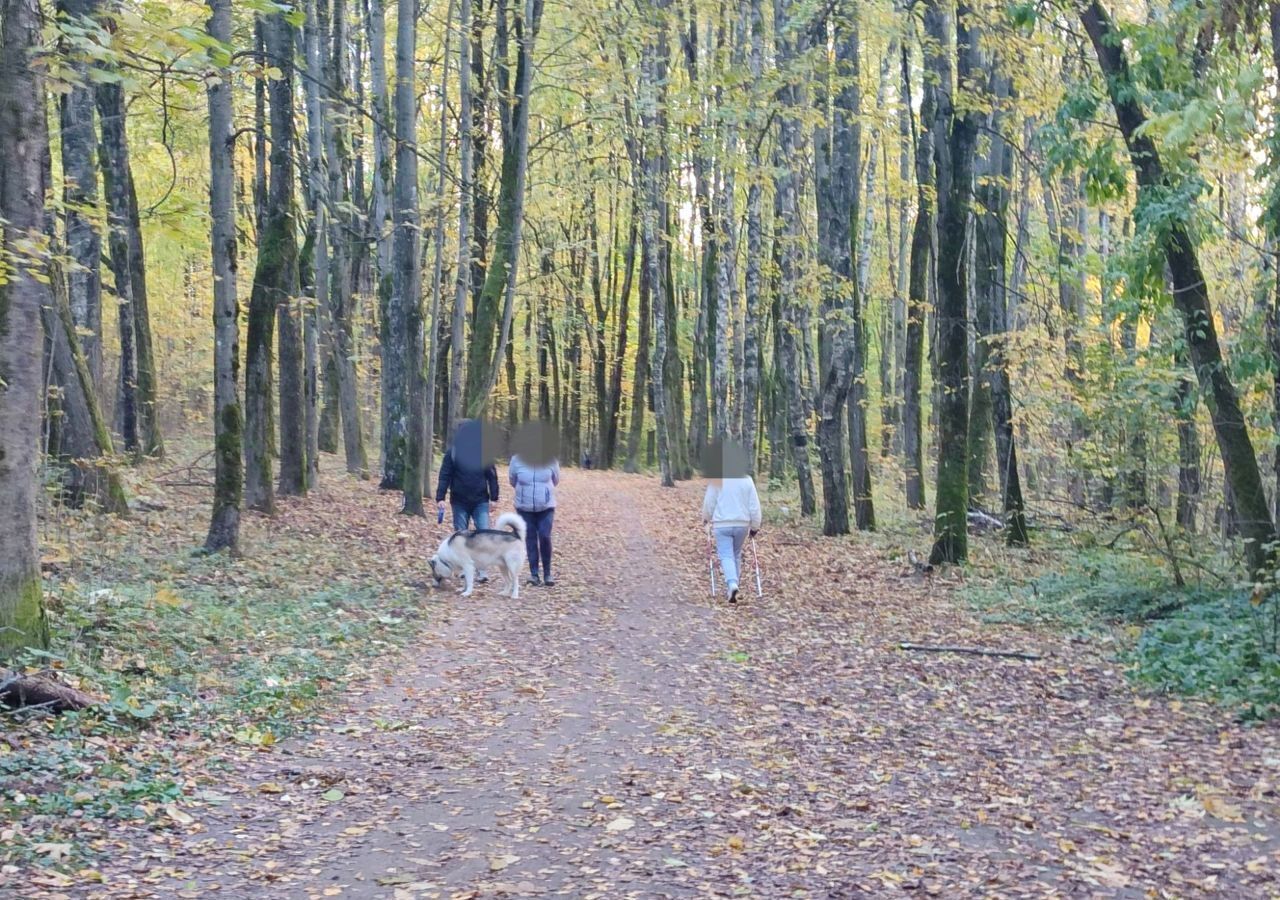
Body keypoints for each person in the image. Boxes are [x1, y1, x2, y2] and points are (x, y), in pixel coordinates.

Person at [700, 439, 761, 604]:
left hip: (722, 525)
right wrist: (755, 526)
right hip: (742, 524)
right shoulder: (747, 480)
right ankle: (733, 587)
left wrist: (706, 518)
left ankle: (732, 584)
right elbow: (754, 506)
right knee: (735, 554)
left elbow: (709, 503)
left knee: (726, 554)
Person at [510, 421, 560, 586]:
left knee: (544, 536)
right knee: (530, 538)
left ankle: (547, 574)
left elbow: (556, 479)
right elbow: (512, 480)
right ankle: (534, 574)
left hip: (546, 506)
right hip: (524, 507)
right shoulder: (516, 460)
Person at [436, 418, 499, 532]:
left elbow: (492, 476)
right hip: (459, 502)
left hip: (481, 501)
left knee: (484, 534)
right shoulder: (453, 453)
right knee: (461, 537)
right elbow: (445, 475)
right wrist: (440, 498)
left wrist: (494, 498)